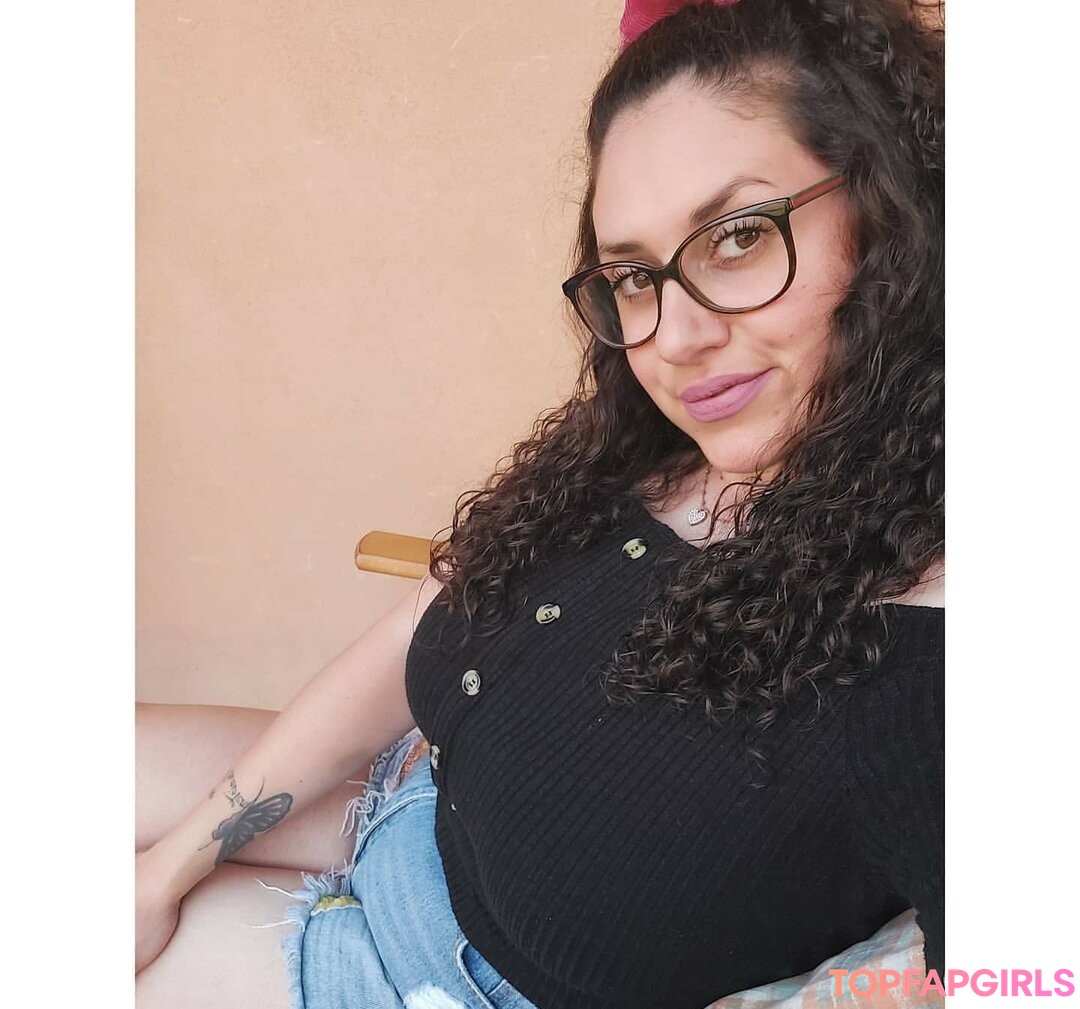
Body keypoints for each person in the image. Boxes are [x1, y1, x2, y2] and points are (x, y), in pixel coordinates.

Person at [135, 0, 944, 1006]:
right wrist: (167, 867)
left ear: (895, 220)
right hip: (404, 801)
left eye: (737, 237)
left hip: (411, 973)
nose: (674, 337)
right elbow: (424, 624)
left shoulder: (937, 662)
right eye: (633, 276)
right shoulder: (646, 452)